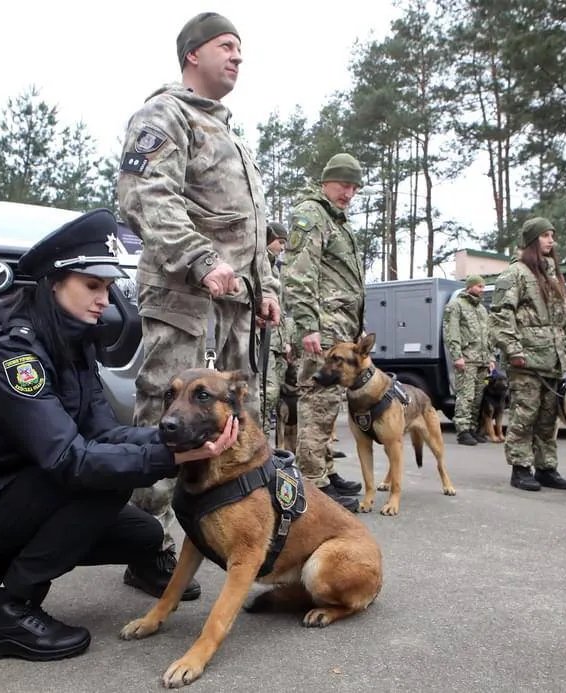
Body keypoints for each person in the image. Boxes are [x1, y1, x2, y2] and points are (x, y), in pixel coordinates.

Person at [0, 209, 238, 661]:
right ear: (54, 282)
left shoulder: (71, 345)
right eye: (92, 285)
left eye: (106, 287)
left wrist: (181, 440)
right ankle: (7, 610)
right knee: (102, 478)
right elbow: (72, 460)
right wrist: (171, 459)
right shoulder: (14, 353)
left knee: (141, 536)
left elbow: (105, 431)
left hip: (8, 487)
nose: (104, 298)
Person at [116, 12, 280, 599]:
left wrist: (268, 291)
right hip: (186, 296)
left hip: (235, 305)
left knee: (235, 422)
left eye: (241, 49)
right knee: (170, 418)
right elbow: (143, 195)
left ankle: (232, 529)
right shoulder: (165, 115)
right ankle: (150, 547)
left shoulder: (230, 133)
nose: (237, 57)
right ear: (193, 55)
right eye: (226, 47)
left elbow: (249, 229)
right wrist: (199, 258)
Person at [282, 153, 367, 511]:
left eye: (353, 187)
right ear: (326, 182)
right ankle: (312, 483)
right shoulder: (311, 214)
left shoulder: (338, 221)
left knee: (329, 404)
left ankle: (326, 471)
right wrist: (308, 324)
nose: (348, 192)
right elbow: (298, 272)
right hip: (323, 326)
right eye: (343, 184)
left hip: (340, 326)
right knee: (316, 400)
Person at [489, 217, 566, 492]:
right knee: (524, 415)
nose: (551, 240)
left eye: (552, 235)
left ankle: (546, 468)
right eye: (545, 236)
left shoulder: (553, 276)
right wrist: (514, 350)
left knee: (547, 418)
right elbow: (501, 317)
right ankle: (520, 469)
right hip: (527, 361)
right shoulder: (514, 274)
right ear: (532, 240)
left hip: (552, 360)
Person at [443, 274, 495, 445]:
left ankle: (473, 428)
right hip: (466, 358)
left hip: (481, 359)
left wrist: (490, 357)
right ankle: (463, 430)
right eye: (479, 286)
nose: (482, 289)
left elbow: (488, 335)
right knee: (466, 396)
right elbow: (452, 332)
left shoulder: (481, 309)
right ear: (470, 286)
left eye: (483, 286)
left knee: (478, 397)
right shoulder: (456, 305)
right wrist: (457, 356)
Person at [262, 220, 291, 438]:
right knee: (267, 393)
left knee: (276, 394)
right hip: (263, 341)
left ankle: (272, 447)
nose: (282, 247)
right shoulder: (261, 263)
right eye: (279, 242)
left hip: (277, 341)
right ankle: (259, 438)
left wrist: (286, 341)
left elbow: (282, 311)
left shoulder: (275, 268)